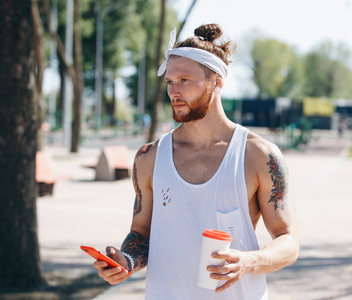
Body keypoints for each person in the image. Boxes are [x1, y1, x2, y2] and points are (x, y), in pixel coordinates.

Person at [94, 24, 300, 300]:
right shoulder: (149, 157)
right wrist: (127, 261)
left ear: (216, 82)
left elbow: (288, 240)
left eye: (184, 81)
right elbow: (141, 233)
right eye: (169, 82)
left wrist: (249, 261)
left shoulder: (259, 155)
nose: (173, 92)